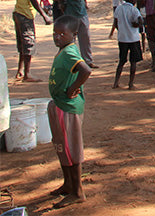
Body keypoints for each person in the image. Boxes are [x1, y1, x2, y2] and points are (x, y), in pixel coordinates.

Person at [47, 15, 91, 207]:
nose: (57, 37)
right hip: (59, 105)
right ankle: (68, 184)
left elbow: (86, 70)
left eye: (61, 34)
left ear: (73, 35)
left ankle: (78, 191)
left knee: (71, 149)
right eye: (54, 34)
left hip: (67, 109)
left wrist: (73, 88)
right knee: (62, 146)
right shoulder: (64, 50)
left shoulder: (69, 52)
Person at [13, 0, 52, 81]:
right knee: (28, 43)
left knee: (22, 44)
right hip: (25, 14)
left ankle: (20, 70)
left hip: (17, 13)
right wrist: (44, 15)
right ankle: (27, 74)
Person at [58, 0, 96, 68]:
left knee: (85, 37)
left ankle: (88, 61)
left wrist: (85, 2)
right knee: (70, 39)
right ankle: (72, 62)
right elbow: (60, 0)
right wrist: (65, 12)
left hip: (82, 13)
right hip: (71, 14)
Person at [109, 0, 143, 89]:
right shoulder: (134, 10)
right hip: (133, 38)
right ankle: (130, 84)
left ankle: (116, 83)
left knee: (121, 61)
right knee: (133, 62)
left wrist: (121, 30)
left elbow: (116, 23)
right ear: (133, 0)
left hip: (122, 38)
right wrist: (137, 24)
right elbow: (139, 21)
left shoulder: (119, 9)